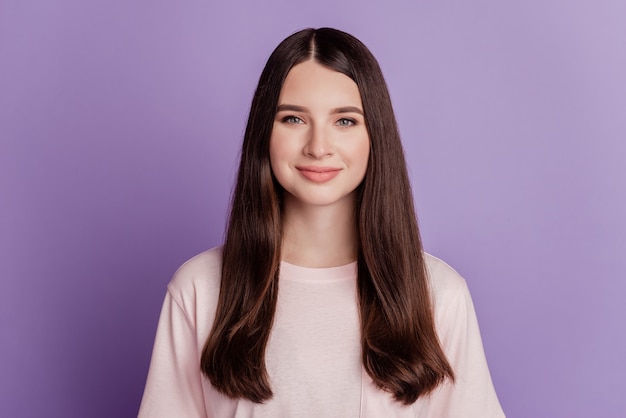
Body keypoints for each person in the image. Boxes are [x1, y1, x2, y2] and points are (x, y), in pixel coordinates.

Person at [138, 27, 505, 417]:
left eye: (344, 121)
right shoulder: (199, 288)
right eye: (293, 119)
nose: (317, 147)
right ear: (265, 133)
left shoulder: (438, 296)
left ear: (374, 136)